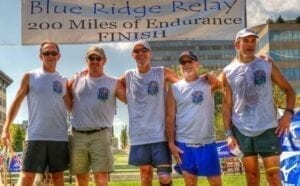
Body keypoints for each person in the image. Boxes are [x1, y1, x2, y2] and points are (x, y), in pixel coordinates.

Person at [221, 28, 296, 186]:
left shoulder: (266, 65)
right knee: (252, 177)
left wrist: (288, 115)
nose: (250, 44)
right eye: (245, 41)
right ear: (237, 44)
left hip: (268, 128)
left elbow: (289, 91)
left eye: (253, 41)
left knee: (274, 176)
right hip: (241, 131)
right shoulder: (228, 72)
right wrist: (228, 134)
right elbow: (226, 105)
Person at [1, 41, 70, 186]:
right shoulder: (30, 76)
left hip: (59, 137)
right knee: (27, 176)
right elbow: (17, 102)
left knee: (58, 178)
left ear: (59, 56)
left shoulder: (63, 80)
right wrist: (6, 128)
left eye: (53, 53)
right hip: (35, 135)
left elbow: (71, 106)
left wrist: (80, 80)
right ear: (40, 56)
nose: (50, 55)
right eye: (46, 53)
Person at [119, 40, 179, 186]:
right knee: (145, 175)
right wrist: (128, 99)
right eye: (137, 51)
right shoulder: (128, 75)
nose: (140, 53)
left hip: (160, 135)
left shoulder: (161, 72)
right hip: (139, 136)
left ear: (150, 53)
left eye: (144, 50)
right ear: (133, 55)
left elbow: (183, 84)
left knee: (164, 176)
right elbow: (114, 85)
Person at [67, 46, 126, 186]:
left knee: (100, 177)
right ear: (86, 61)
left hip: (101, 134)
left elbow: (131, 100)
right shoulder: (75, 80)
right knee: (81, 178)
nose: (95, 61)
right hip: (77, 135)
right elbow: (65, 97)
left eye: (98, 58)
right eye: (91, 58)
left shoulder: (113, 82)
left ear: (104, 61)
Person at [165, 51, 222, 186]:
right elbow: (169, 118)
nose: (187, 65)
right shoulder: (174, 89)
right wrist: (171, 144)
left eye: (190, 61)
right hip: (184, 144)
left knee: (215, 181)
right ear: (180, 67)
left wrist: (212, 74)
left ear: (197, 64)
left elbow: (224, 81)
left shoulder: (208, 82)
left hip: (207, 142)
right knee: (190, 182)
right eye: (183, 63)